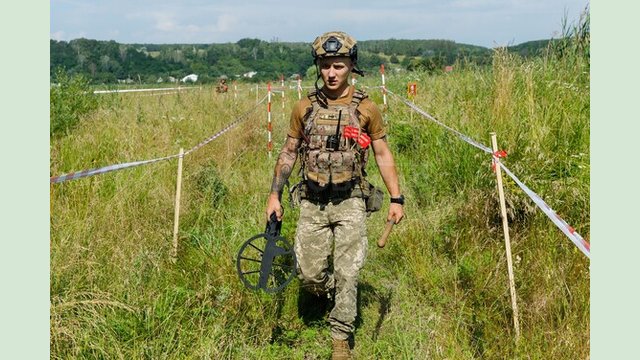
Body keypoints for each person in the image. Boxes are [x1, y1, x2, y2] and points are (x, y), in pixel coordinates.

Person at [265, 31, 404, 359]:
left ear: (351, 67)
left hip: (351, 201)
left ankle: (340, 336)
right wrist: (275, 195)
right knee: (309, 273)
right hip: (312, 202)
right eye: (325, 65)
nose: (331, 73)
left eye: (338, 65)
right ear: (318, 66)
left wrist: (396, 199)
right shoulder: (304, 108)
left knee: (348, 270)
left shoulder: (367, 108)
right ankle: (329, 291)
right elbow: (288, 153)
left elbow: (383, 154)